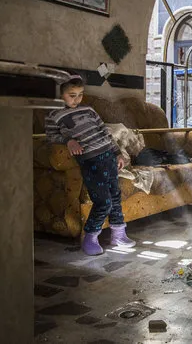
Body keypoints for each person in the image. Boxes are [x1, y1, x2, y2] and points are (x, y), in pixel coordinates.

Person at [45, 74, 136, 256]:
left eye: (80, 94)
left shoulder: (89, 111)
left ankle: (118, 234)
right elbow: (52, 137)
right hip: (91, 161)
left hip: (108, 156)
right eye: (72, 95)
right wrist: (68, 141)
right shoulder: (54, 115)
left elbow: (104, 133)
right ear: (60, 94)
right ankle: (91, 237)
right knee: (103, 201)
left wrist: (117, 153)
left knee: (115, 195)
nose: (77, 99)